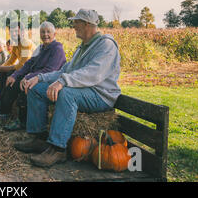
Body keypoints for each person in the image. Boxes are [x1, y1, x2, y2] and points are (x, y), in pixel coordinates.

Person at [14, 9, 121, 167]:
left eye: (76, 22)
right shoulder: (82, 48)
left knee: (66, 94)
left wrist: (63, 81)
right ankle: (39, 138)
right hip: (83, 90)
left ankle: (58, 149)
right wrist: (39, 78)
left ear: (86, 24)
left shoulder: (106, 45)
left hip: (100, 94)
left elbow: (93, 73)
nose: (73, 25)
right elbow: (64, 70)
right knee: (36, 89)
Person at [0, 22, 66, 130]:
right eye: (42, 32)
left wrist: (28, 76)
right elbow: (27, 63)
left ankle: (22, 121)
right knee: (12, 80)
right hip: (35, 76)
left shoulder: (56, 49)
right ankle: (2, 113)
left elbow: (50, 70)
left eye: (48, 32)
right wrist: (14, 75)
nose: (45, 34)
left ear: (54, 34)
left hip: (48, 79)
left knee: (23, 84)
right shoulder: (41, 48)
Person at [0, 22, 35, 117]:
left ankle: (3, 111)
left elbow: (22, 65)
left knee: (8, 74)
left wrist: (2, 68)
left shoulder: (26, 44)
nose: (14, 34)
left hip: (30, 73)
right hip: (22, 71)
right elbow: (11, 60)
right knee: (4, 73)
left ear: (23, 32)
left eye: (16, 31)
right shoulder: (16, 44)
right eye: (12, 32)